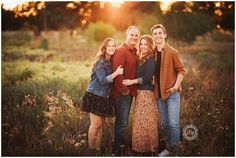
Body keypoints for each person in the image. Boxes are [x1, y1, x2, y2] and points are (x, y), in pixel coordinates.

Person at [81, 38, 123, 155]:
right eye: (109, 46)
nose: (111, 48)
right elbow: (103, 81)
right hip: (95, 95)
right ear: (104, 48)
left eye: (113, 46)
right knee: (95, 125)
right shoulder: (100, 62)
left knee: (100, 126)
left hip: (105, 97)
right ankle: (91, 151)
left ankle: (97, 151)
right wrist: (116, 73)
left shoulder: (111, 62)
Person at [151, 24, 186, 156]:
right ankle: (168, 149)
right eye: (155, 34)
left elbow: (182, 70)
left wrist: (176, 86)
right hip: (159, 95)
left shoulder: (173, 52)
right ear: (153, 36)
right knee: (164, 124)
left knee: (173, 123)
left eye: (160, 33)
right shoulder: (152, 53)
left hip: (172, 94)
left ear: (165, 35)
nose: (158, 35)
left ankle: (175, 150)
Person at [122, 35, 158, 155]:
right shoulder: (141, 57)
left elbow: (148, 77)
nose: (142, 46)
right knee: (139, 120)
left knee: (147, 121)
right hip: (139, 93)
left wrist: (132, 81)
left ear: (150, 46)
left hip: (147, 93)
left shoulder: (151, 58)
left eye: (145, 44)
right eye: (141, 44)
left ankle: (151, 148)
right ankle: (139, 148)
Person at [111, 26, 140, 155]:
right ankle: (118, 152)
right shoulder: (121, 51)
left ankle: (119, 148)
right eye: (132, 35)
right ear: (126, 35)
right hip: (122, 93)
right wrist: (125, 91)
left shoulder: (134, 52)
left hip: (130, 93)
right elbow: (117, 73)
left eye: (136, 36)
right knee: (122, 123)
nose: (134, 37)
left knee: (124, 122)